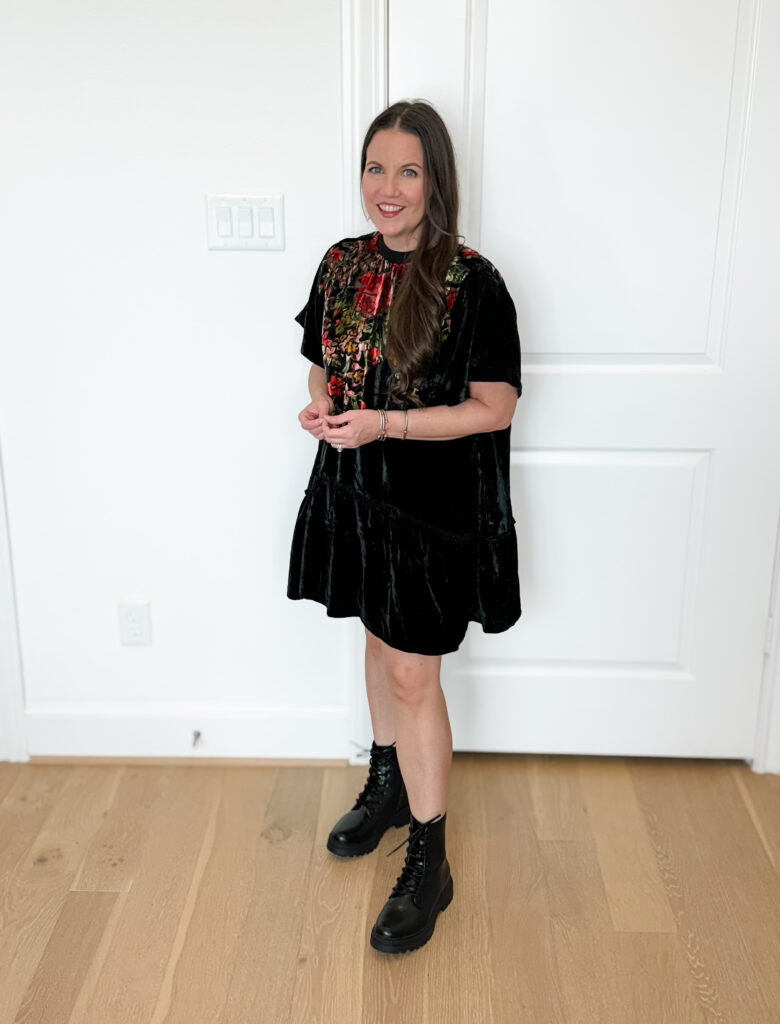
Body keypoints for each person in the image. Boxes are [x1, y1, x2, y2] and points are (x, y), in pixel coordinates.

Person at [287, 99, 522, 955]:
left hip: (429, 510)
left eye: (408, 171)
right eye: (376, 167)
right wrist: (320, 407)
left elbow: (494, 407)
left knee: (415, 674)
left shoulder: (471, 282)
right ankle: (386, 783)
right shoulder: (341, 263)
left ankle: (430, 859)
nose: (388, 187)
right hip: (353, 490)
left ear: (435, 182)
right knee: (376, 639)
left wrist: (384, 424)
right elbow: (323, 364)